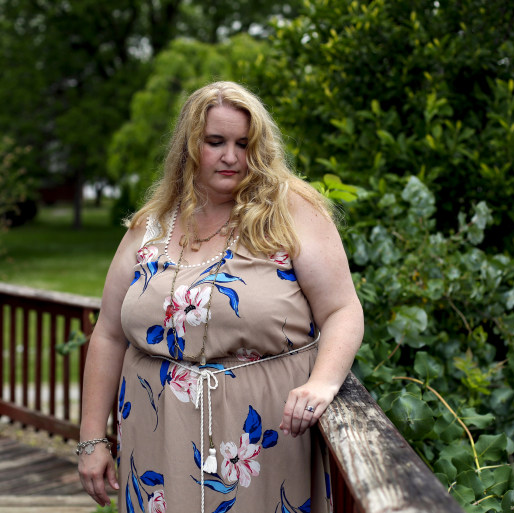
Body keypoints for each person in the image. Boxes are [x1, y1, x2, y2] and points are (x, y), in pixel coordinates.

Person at [77, 81, 363, 513]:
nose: (231, 156)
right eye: (216, 142)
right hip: (156, 437)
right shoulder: (154, 224)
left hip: (262, 441)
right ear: (189, 147)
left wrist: (322, 383)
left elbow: (343, 309)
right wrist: (92, 439)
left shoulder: (292, 212)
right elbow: (109, 334)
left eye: (244, 144)